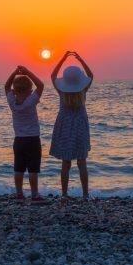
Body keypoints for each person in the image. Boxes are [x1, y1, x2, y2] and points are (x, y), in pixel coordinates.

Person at [50, 51, 94, 201]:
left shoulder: (62, 91)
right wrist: (81, 59)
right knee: (82, 161)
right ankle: (86, 195)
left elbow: (53, 76)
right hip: (80, 125)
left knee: (66, 162)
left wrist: (62, 59)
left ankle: (64, 194)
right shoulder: (82, 90)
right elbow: (91, 76)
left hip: (65, 125)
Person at [5, 65, 48, 204]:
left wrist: (14, 72)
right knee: (33, 169)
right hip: (33, 139)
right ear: (30, 90)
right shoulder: (31, 101)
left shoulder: (12, 102)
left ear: (14, 90)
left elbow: (6, 86)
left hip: (19, 140)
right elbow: (40, 85)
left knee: (18, 167)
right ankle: (34, 195)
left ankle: (19, 194)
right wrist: (28, 72)